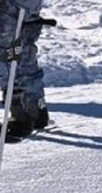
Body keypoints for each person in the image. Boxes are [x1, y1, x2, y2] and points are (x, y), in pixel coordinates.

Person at [1, 1, 49, 141]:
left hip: (10, 7)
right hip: (30, 5)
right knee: (24, 53)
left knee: (7, 55)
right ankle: (36, 110)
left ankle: (20, 116)